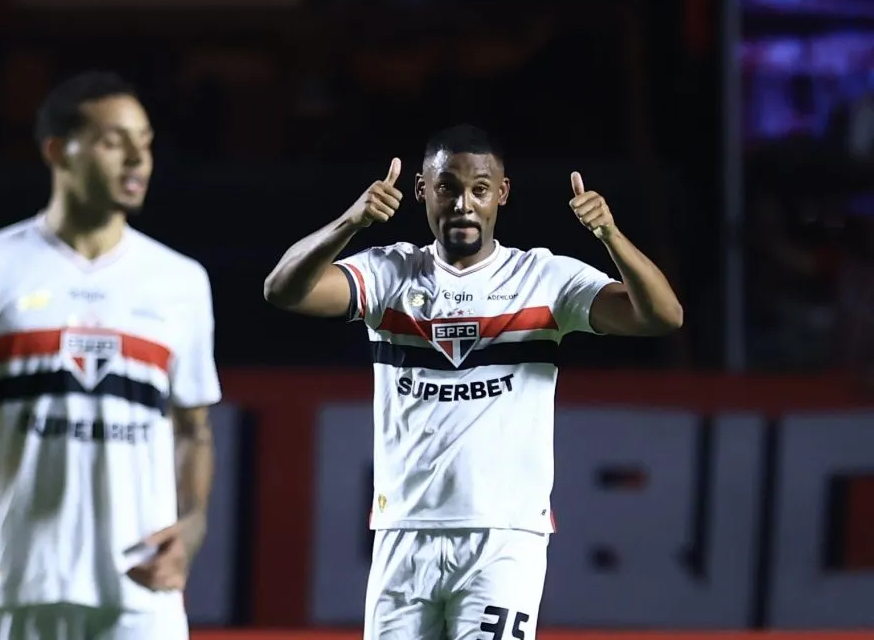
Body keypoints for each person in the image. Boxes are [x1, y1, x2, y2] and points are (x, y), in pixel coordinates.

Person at [263, 124, 683, 640]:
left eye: (479, 189)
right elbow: (282, 291)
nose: (463, 203)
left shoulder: (544, 280)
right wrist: (352, 222)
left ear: (501, 194)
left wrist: (610, 237)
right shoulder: (390, 274)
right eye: (447, 187)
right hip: (403, 535)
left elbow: (662, 316)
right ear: (422, 191)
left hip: (503, 541)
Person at [0, 71, 221, 640]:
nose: (136, 158)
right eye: (112, 140)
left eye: (144, 141)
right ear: (57, 151)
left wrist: (194, 523)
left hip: (143, 594)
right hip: (23, 585)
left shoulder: (180, 281)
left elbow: (193, 430)